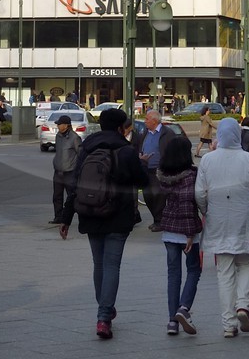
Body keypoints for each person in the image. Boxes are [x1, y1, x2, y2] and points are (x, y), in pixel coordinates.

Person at [59, 106, 146, 340]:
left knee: (99, 263)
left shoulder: (88, 147)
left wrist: (66, 218)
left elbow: (75, 183)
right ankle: (104, 316)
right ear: (121, 128)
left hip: (89, 212)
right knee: (111, 265)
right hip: (118, 216)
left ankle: (104, 311)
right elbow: (142, 180)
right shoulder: (126, 150)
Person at [196, 117, 249, 339]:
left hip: (218, 219)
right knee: (246, 263)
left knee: (224, 271)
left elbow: (199, 192)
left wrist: (206, 210)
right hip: (245, 218)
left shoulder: (207, 160)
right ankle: (243, 305)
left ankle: (228, 324)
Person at [157, 134, 202, 335]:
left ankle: (171, 321)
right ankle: (183, 308)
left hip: (169, 230)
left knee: (173, 275)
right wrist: (190, 234)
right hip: (187, 230)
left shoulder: (163, 176)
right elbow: (186, 203)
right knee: (194, 270)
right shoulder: (191, 176)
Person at [134, 109, 169, 229]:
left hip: (159, 170)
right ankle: (156, 219)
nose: (145, 121)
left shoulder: (166, 133)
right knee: (148, 196)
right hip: (146, 169)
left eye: (147, 119)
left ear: (154, 121)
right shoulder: (146, 133)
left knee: (158, 196)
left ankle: (160, 221)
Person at [49, 115, 82, 225]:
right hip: (58, 171)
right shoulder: (58, 136)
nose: (58, 126)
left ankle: (78, 216)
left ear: (66, 125)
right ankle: (58, 217)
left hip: (70, 172)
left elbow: (80, 154)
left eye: (59, 124)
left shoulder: (75, 137)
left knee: (72, 196)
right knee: (57, 196)